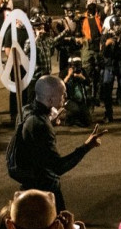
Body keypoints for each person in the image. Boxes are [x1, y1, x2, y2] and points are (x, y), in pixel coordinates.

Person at [12, 75, 107, 212]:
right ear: (50, 100)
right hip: (44, 192)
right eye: (62, 94)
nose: (65, 97)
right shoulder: (40, 125)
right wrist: (87, 146)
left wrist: (49, 120)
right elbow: (57, 167)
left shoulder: (26, 111)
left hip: (28, 186)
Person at [101, 15, 121, 123]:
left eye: (118, 25)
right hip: (109, 66)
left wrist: (120, 45)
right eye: (115, 25)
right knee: (107, 91)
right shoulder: (105, 37)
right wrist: (107, 44)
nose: (117, 27)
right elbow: (103, 53)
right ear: (111, 26)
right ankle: (108, 114)